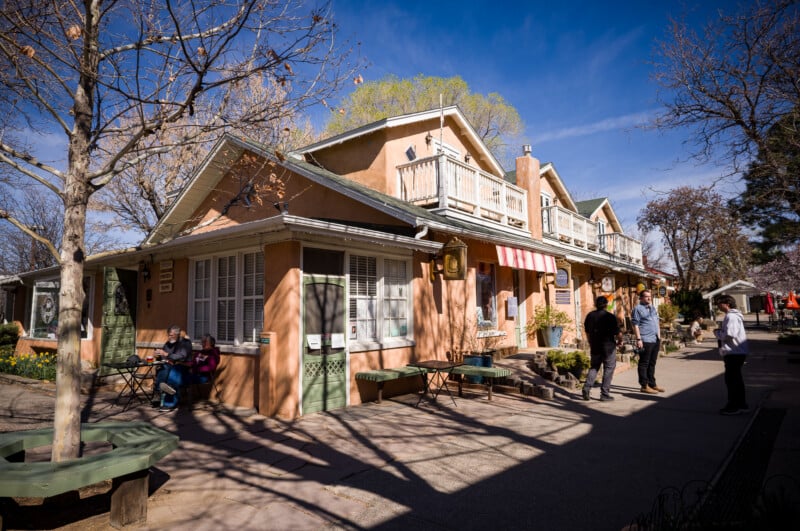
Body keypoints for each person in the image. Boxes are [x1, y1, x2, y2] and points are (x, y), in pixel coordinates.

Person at [582, 296, 623, 401]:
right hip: (608, 347)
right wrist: (620, 341)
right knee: (609, 368)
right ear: (606, 305)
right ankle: (604, 394)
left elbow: (587, 331)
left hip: (595, 345)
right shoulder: (610, 317)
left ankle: (586, 387)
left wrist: (590, 342)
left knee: (594, 367)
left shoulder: (590, 316)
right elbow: (618, 332)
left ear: (596, 304)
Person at [714, 295, 750, 415]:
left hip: (734, 352)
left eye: (719, 303)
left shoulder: (731, 316)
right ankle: (741, 404)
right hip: (737, 351)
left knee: (732, 380)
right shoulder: (733, 316)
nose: (718, 306)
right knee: (736, 379)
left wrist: (718, 333)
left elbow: (729, 334)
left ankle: (733, 406)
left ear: (727, 304)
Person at [631, 290, 664, 394]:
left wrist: (659, 337)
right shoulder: (637, 309)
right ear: (641, 298)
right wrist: (638, 339)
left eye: (650, 296)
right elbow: (635, 325)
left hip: (655, 339)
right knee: (644, 363)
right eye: (646, 296)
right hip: (645, 339)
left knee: (652, 363)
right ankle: (644, 385)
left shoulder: (652, 308)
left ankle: (652, 384)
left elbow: (657, 322)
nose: (649, 298)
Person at [154, 324, 192, 412]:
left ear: (177, 334)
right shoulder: (168, 343)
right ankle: (160, 390)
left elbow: (182, 357)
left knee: (173, 375)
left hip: (182, 366)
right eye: (168, 335)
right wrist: (158, 355)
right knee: (163, 368)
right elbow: (163, 356)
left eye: (171, 335)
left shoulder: (185, 343)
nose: (169, 337)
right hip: (169, 365)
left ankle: (167, 401)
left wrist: (167, 354)